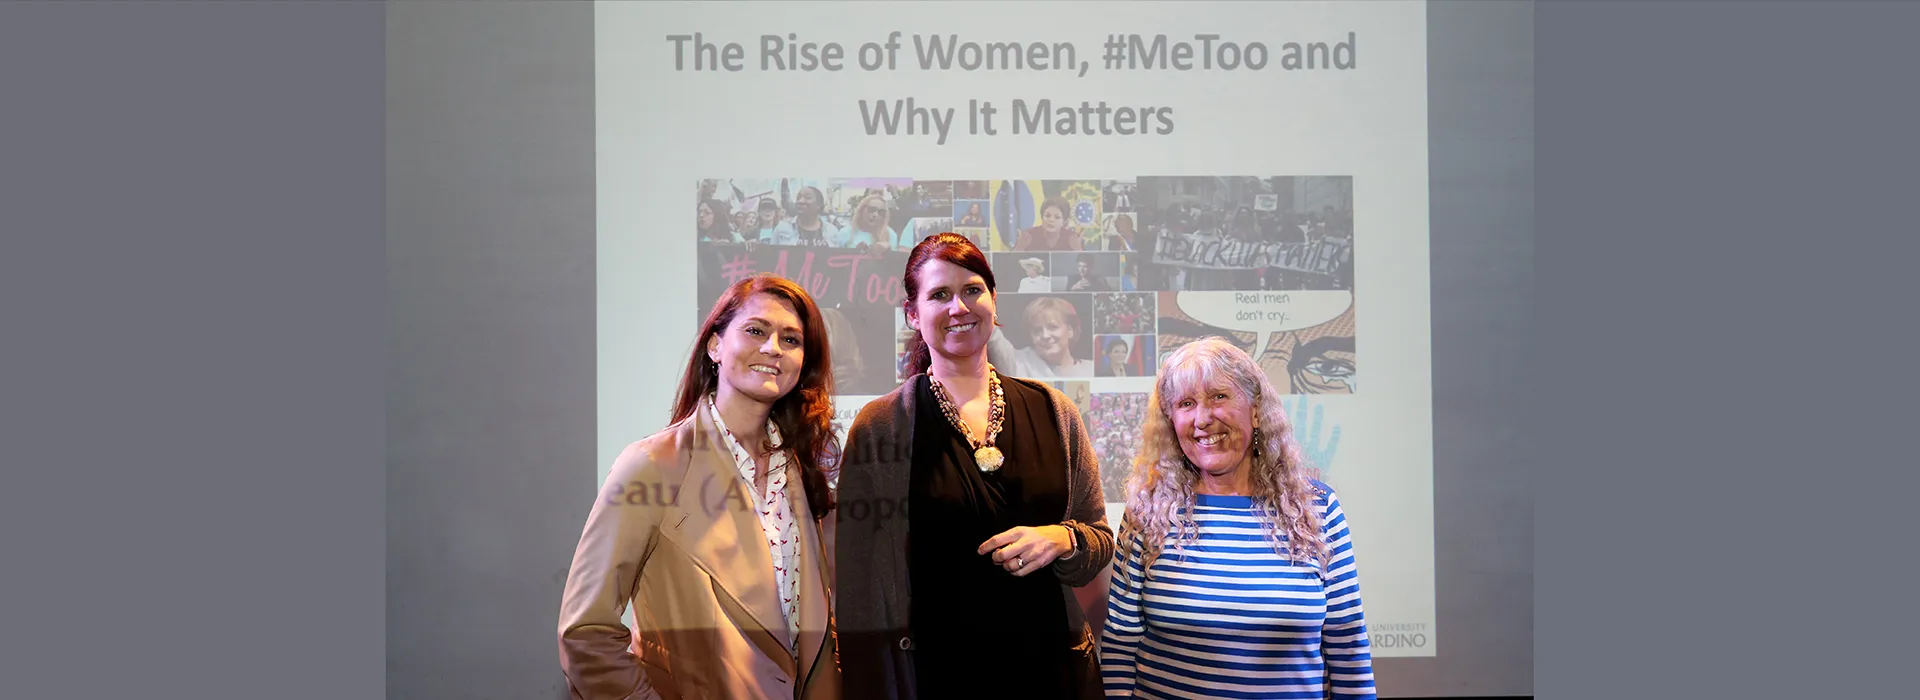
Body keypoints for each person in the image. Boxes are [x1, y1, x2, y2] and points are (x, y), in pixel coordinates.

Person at [837, 233, 1115, 700]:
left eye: (972, 290)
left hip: (1050, 671)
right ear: (913, 314)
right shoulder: (880, 426)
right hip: (931, 678)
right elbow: (857, 586)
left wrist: (1063, 538)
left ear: (993, 301)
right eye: (939, 295)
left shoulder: (1054, 410)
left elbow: (1099, 541)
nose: (959, 307)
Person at [558, 274, 842, 700]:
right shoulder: (652, 465)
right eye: (755, 330)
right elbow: (585, 632)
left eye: (791, 339)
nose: (772, 348)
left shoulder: (805, 472)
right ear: (715, 346)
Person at [1099, 337, 1376, 699]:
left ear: (1256, 410)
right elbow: (1120, 644)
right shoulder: (1147, 512)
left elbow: (1348, 648)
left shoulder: (1318, 509)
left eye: (1219, 397)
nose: (1202, 419)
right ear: (1171, 422)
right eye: (1186, 403)